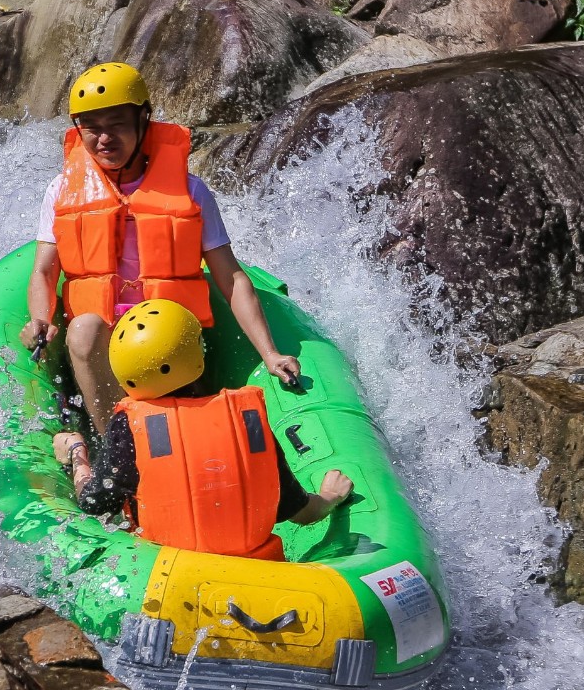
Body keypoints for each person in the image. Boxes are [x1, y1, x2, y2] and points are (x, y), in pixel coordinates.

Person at [18, 61, 301, 435]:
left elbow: (230, 277)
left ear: (143, 120)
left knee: (163, 350)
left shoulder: (191, 190)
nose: (104, 139)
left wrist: (270, 353)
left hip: (170, 334)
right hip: (102, 336)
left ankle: (183, 427)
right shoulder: (60, 190)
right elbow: (43, 271)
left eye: (117, 124)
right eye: (92, 128)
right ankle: (116, 452)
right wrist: (40, 318)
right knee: (84, 328)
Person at [52, 299, 352, 557]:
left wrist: (78, 453)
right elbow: (300, 512)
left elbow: (93, 502)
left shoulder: (128, 427)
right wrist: (329, 498)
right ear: (199, 355)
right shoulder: (246, 419)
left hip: (167, 574)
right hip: (256, 575)